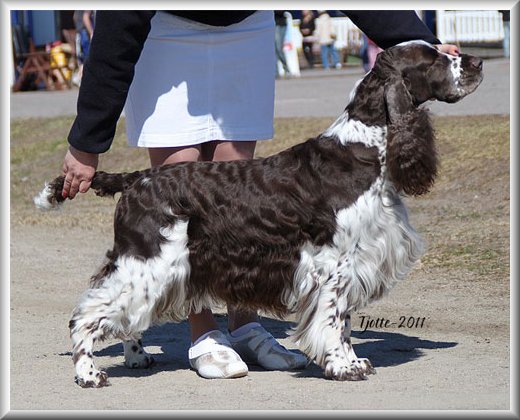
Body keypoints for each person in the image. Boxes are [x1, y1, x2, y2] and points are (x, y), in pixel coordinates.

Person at [60, 10, 459, 380]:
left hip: (244, 31)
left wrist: (416, 39)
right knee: (180, 186)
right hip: (167, 35)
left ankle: (246, 326)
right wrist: (87, 140)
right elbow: (117, 25)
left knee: (240, 197)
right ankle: (203, 333)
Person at [72, 10, 95, 86]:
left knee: (84, 60)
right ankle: (79, 78)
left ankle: (80, 78)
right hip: (85, 34)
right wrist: (91, 32)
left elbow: (75, 17)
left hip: (80, 33)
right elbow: (86, 17)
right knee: (88, 58)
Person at [274, 11, 291, 77]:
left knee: (279, 48)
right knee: (274, 50)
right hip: (272, 24)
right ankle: (276, 72)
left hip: (280, 24)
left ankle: (286, 69)